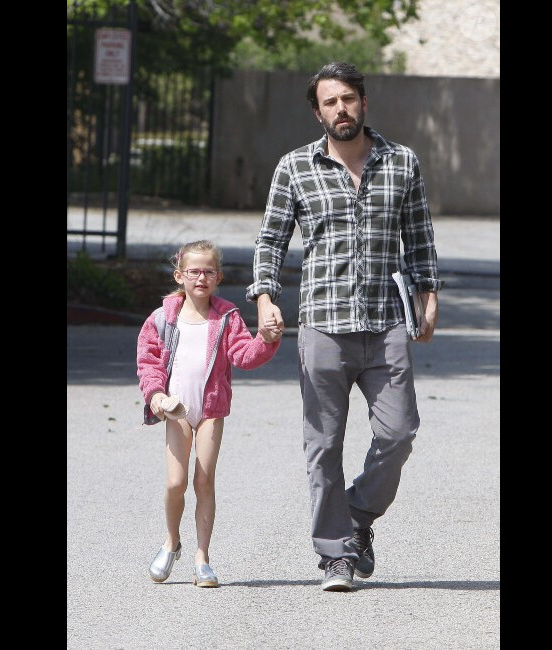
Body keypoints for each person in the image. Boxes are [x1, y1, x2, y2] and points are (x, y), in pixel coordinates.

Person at [246, 62, 443, 591]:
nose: (341, 109)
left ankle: (355, 516)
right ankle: (335, 554)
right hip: (323, 327)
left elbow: (419, 237)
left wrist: (429, 295)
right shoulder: (294, 167)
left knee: (399, 433)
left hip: (385, 324)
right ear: (318, 111)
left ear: (363, 101)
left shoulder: (401, 163)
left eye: (349, 98)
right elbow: (270, 242)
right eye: (330, 102)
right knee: (323, 444)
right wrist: (265, 297)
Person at [137, 240, 281, 587]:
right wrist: (156, 395)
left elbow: (244, 356)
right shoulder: (162, 318)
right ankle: (172, 542)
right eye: (194, 271)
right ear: (180, 275)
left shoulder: (227, 316)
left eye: (208, 272)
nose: (201, 278)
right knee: (176, 482)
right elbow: (149, 361)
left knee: (203, 480)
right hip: (176, 409)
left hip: (211, 409)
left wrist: (266, 338)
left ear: (218, 277)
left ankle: (202, 557)